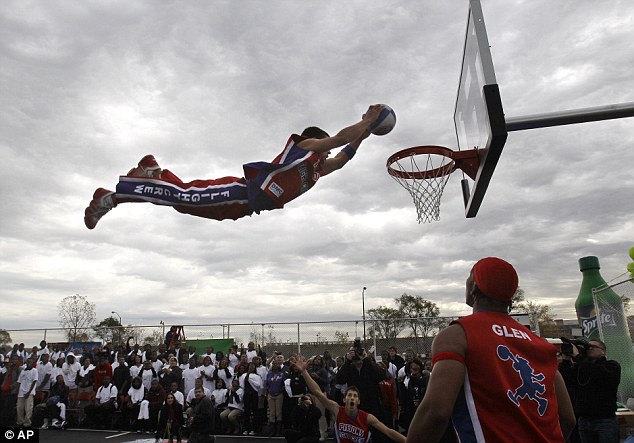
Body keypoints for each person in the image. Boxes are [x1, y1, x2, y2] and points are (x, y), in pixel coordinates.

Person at [84, 105, 384, 229]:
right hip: (242, 190)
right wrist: (367, 121)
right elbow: (339, 139)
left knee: (183, 204)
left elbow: (342, 158)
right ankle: (111, 197)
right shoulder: (305, 148)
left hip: (244, 206)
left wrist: (366, 135)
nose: (329, 149)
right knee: (182, 196)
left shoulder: (319, 169)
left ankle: (154, 171)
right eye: (326, 143)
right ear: (316, 138)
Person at [406, 257, 576, 443]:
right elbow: (567, 418)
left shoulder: (458, 334)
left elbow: (436, 411)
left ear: (473, 287)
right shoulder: (540, 344)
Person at [294, 358, 406, 443]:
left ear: (358, 401)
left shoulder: (367, 417)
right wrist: (304, 372)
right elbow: (317, 392)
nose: (352, 397)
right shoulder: (337, 410)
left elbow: (388, 431)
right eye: (349, 395)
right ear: (344, 399)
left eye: (355, 396)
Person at [559, 338, 621, 443]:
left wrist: (579, 357)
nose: (589, 349)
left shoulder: (611, 365)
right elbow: (566, 379)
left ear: (603, 351)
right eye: (588, 347)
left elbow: (598, 373)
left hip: (604, 420)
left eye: (593, 347)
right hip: (584, 420)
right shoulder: (581, 367)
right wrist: (566, 359)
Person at [16, 357, 38, 427]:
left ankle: (27, 423)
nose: (29, 363)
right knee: (19, 408)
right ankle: (20, 422)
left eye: (31, 362)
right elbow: (19, 382)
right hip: (21, 392)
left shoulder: (34, 370)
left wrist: (29, 392)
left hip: (29, 392)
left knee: (28, 408)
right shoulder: (23, 371)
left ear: (32, 363)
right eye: (28, 362)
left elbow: (34, 381)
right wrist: (17, 391)